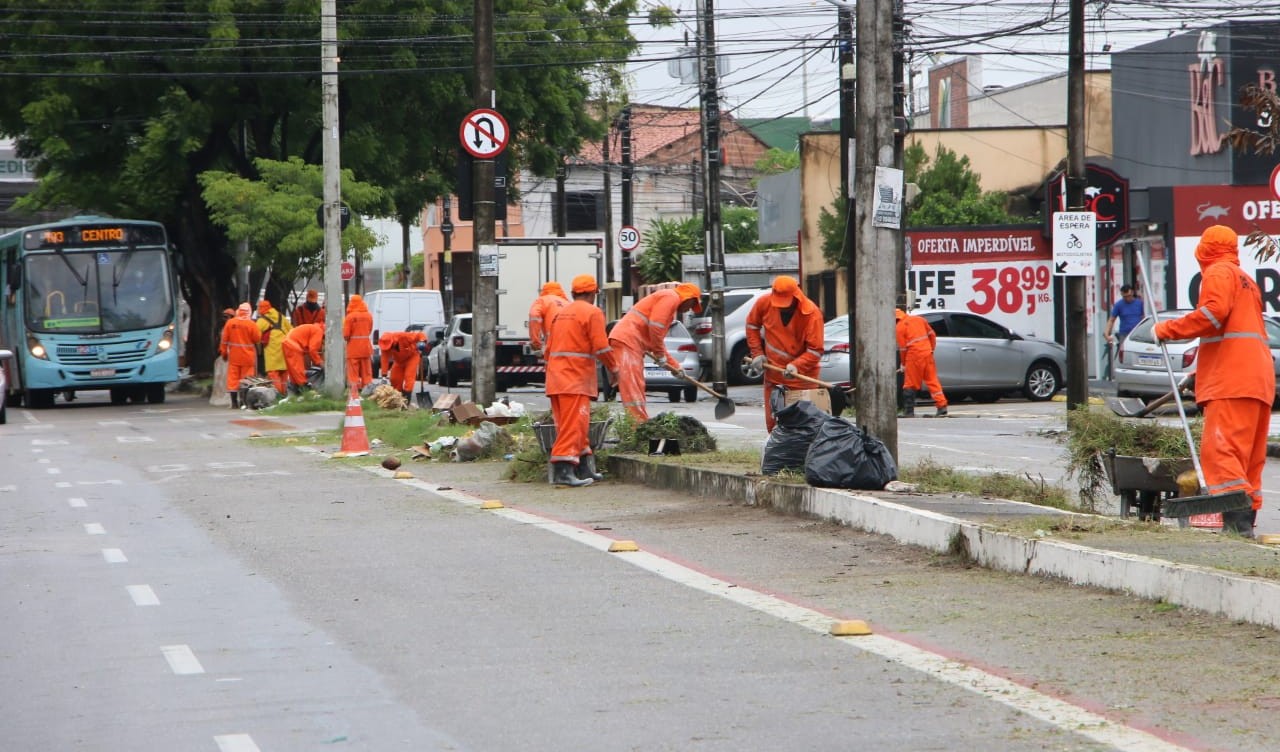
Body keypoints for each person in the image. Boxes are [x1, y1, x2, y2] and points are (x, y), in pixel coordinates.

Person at [1153, 224, 1275, 537]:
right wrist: (1201, 372)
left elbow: (1212, 315)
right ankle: (1244, 525)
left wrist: (1166, 330)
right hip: (1256, 379)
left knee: (1222, 453)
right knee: (1248, 459)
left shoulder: (1219, 272)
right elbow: (1234, 331)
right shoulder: (1245, 279)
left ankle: (1236, 526)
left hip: (1232, 382)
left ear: (1205, 249)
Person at [544, 274, 618, 486]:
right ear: (593, 293)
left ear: (574, 293)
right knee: (573, 426)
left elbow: (548, 349)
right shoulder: (592, 312)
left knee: (575, 425)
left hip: (556, 379)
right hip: (574, 378)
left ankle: (584, 467)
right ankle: (563, 472)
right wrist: (614, 368)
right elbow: (601, 346)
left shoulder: (561, 313)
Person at [608, 282, 702, 421]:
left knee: (637, 385)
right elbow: (656, 327)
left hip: (629, 341)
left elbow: (656, 338)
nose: (689, 309)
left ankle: (638, 424)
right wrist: (660, 355)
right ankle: (637, 427)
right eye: (691, 305)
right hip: (627, 340)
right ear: (689, 298)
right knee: (632, 387)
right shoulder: (671, 297)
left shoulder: (669, 303)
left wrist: (674, 365)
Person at [745, 276, 824, 431]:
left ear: (796, 295)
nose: (781, 307)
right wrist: (757, 353)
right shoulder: (764, 303)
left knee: (805, 427)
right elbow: (752, 325)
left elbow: (815, 351)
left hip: (802, 381)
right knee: (773, 425)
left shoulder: (812, 314)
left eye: (785, 303)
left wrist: (797, 366)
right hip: (774, 378)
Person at [895, 307, 948, 418]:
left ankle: (908, 411)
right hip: (927, 353)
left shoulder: (899, 327)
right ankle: (942, 406)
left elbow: (903, 349)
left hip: (913, 355)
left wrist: (903, 364)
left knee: (910, 383)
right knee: (932, 380)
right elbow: (932, 335)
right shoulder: (919, 320)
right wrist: (931, 349)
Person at [219, 302, 260, 409]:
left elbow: (224, 340)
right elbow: (257, 339)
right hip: (248, 357)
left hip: (234, 357)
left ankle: (234, 403)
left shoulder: (230, 323)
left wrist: (224, 353)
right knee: (246, 380)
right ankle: (243, 402)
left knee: (233, 379)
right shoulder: (252, 324)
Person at [381, 329, 429, 403]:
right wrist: (384, 375)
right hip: (399, 361)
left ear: (393, 341)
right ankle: (398, 397)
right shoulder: (385, 347)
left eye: (390, 347)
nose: (389, 349)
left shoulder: (403, 336)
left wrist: (422, 341)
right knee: (394, 379)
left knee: (409, 377)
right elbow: (384, 360)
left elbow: (420, 335)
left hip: (412, 357)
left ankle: (406, 399)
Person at [256, 299, 292, 395]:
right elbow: (291, 330)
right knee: (284, 371)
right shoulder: (281, 316)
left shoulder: (262, 321)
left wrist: (258, 350)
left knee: (273, 372)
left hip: (272, 349)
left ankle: (278, 395)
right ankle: (285, 395)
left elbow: (256, 336)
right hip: (285, 346)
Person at [282, 322, 324, 395]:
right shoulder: (319, 331)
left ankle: (296, 390)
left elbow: (309, 350)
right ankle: (305, 389)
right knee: (298, 370)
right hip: (293, 345)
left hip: (287, 343)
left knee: (293, 371)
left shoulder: (312, 328)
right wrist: (320, 363)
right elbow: (313, 350)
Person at [528, 281, 569, 355]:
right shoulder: (568, 303)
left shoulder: (542, 300)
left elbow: (534, 315)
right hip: (571, 346)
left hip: (553, 345)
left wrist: (536, 343)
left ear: (544, 290)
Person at [342, 293, 374, 390]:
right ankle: (367, 389)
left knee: (353, 372)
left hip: (353, 348)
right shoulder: (369, 316)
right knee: (366, 371)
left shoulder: (350, 317)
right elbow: (369, 330)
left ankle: (354, 392)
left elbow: (346, 335)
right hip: (366, 347)